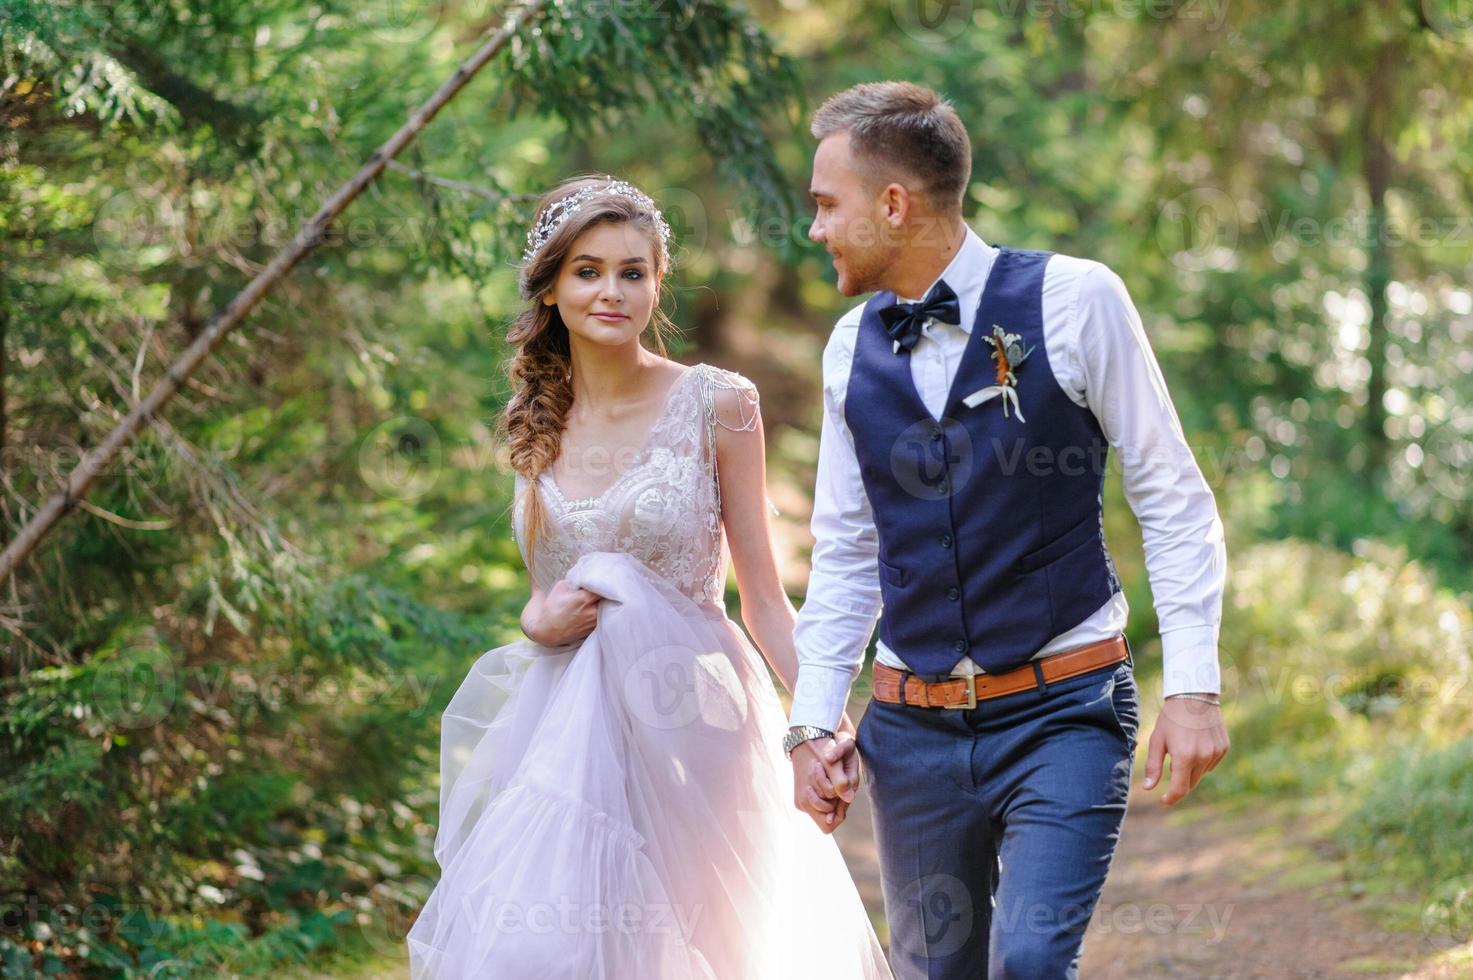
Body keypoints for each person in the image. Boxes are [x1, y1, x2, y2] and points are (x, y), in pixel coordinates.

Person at [784, 81, 1232, 979]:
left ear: (894, 204)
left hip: (1064, 708)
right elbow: (848, 553)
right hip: (910, 733)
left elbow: (1170, 495)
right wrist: (808, 723)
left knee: (1028, 962)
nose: (814, 228)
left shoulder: (1076, 299)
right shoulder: (846, 348)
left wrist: (1193, 687)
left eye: (826, 204)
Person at [406, 174, 893, 979]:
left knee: (705, 939)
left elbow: (763, 598)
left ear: (657, 283)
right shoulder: (534, 419)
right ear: (551, 287)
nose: (611, 291)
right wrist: (536, 624)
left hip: (691, 712)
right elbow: (545, 594)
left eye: (633, 271)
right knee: (553, 940)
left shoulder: (717, 402)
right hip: (568, 724)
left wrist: (818, 724)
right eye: (588, 270)